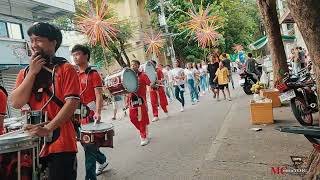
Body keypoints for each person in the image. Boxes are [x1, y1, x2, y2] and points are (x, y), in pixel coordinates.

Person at [11, 22, 78, 180]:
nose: (34, 45)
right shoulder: (25, 73)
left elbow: (71, 104)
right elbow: (16, 103)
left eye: (39, 40)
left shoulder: (65, 69)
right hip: (34, 144)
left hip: (62, 143)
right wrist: (32, 73)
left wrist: (48, 128)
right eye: (32, 40)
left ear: (53, 42)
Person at [72, 44, 108, 179]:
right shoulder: (74, 74)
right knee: (85, 143)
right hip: (76, 115)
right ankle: (102, 160)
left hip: (90, 114)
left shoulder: (93, 74)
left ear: (86, 55)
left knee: (88, 146)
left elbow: (99, 94)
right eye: (73, 55)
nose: (75, 57)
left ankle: (90, 177)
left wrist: (98, 112)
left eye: (78, 54)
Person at [126, 60, 151, 146]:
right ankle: (143, 129)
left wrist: (154, 82)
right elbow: (127, 89)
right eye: (131, 65)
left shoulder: (143, 75)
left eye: (135, 65)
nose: (133, 66)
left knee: (140, 119)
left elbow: (149, 83)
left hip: (140, 101)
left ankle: (143, 137)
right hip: (131, 101)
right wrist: (126, 101)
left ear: (138, 66)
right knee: (132, 119)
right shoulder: (128, 76)